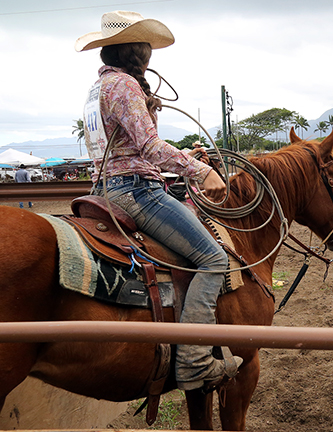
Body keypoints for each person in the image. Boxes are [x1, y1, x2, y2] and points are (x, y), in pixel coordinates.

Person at [75, 10, 241, 391]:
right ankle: (195, 362)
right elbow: (148, 148)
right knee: (214, 259)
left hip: (105, 187)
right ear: (138, 50)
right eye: (147, 47)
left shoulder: (97, 89)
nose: (150, 53)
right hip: (135, 191)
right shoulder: (125, 87)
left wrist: (183, 151)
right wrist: (201, 171)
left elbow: (130, 144)